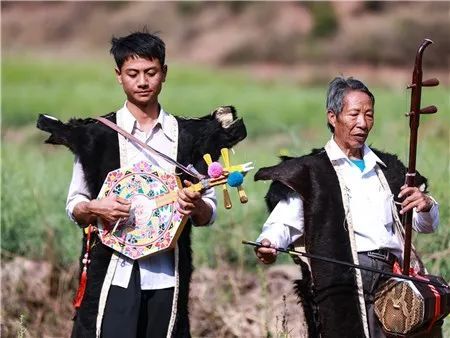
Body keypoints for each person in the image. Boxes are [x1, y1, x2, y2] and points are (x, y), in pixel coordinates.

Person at [37, 31, 246, 337]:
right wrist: (96, 207)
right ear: (118, 76)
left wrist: (196, 205)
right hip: (110, 272)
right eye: (132, 74)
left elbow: (209, 210)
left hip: (167, 275)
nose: (143, 81)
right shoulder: (97, 136)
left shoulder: (190, 137)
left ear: (164, 73)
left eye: (151, 72)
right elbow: (75, 205)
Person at [253, 77, 439, 338]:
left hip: (392, 277)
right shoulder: (313, 171)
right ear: (333, 117)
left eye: (369, 115)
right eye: (354, 114)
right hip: (343, 279)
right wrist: (269, 242)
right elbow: (284, 221)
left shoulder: (389, 169)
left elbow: (426, 225)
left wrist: (426, 204)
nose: (362, 123)